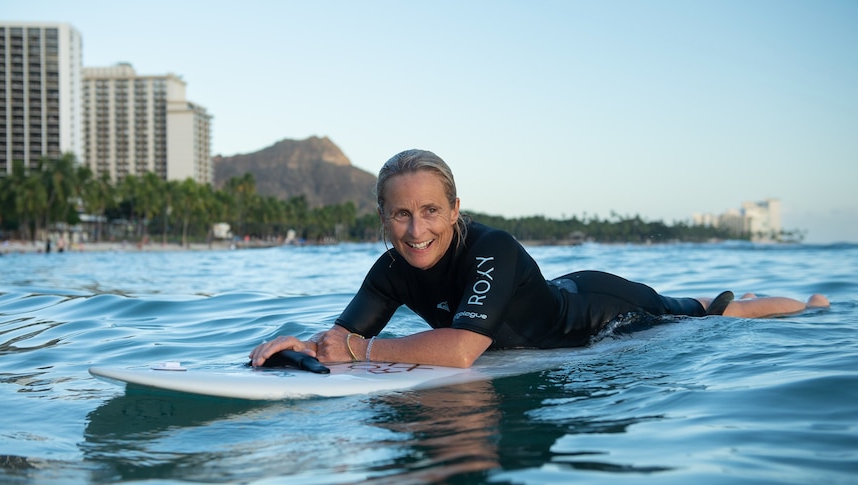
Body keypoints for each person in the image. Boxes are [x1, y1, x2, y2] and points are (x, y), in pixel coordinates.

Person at [250, 149, 830, 369]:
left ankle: (805, 303)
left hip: (603, 313)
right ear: (383, 217)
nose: (415, 229)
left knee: (707, 313)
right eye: (400, 215)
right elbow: (345, 334)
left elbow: (457, 351)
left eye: (429, 211)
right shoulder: (391, 269)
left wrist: (364, 350)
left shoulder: (491, 249)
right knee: (702, 306)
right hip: (557, 300)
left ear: (455, 209)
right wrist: (305, 344)